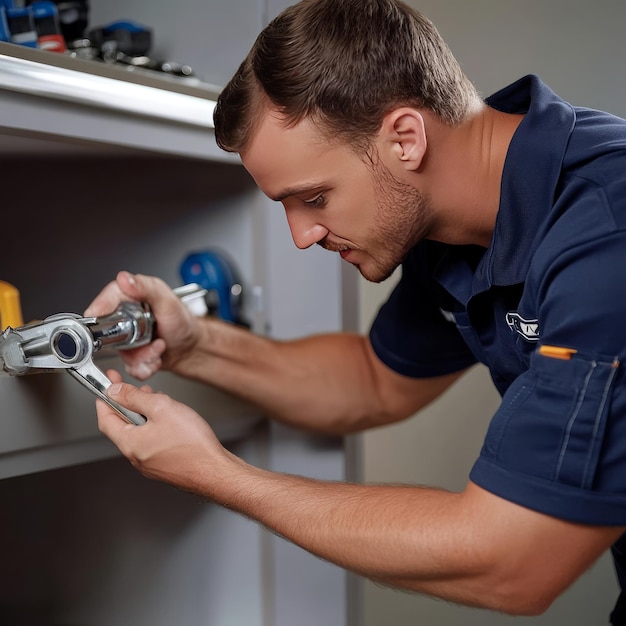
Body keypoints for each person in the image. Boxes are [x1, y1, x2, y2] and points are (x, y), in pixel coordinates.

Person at [84, 0, 626, 620]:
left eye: (314, 197)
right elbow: (372, 382)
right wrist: (193, 344)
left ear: (404, 137)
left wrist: (219, 476)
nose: (302, 236)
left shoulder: (606, 234)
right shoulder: (456, 227)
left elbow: (516, 562)